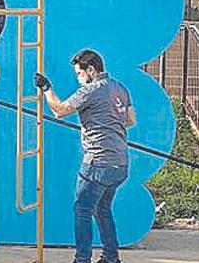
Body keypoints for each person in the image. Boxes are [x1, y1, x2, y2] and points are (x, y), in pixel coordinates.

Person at [34, 50, 136, 263]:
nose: (78, 78)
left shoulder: (90, 90)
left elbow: (60, 110)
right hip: (120, 163)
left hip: (98, 164)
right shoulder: (120, 88)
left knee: (82, 210)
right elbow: (130, 120)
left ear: (91, 70)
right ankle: (111, 257)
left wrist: (46, 89)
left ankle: (82, 259)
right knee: (102, 209)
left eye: (79, 73)